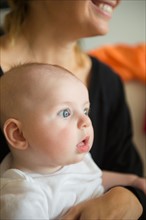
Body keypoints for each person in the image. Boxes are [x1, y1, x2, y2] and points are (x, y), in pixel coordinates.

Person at [0, 0, 145, 219]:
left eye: (86, 111)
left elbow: (130, 177)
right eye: (65, 113)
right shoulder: (25, 196)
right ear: (17, 133)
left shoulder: (108, 82)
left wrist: (130, 198)